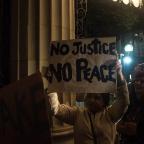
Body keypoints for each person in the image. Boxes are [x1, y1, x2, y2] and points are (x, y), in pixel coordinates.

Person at [48, 60, 129, 144]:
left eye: (97, 98)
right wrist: (52, 86)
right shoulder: (77, 114)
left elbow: (124, 100)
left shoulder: (110, 114)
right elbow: (56, 109)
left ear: (104, 101)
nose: (91, 100)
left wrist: (119, 75)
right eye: (89, 96)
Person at [117, 63, 144, 144]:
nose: (138, 83)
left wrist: (138, 130)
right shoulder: (130, 96)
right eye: (136, 80)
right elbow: (118, 123)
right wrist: (121, 127)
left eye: (142, 81)